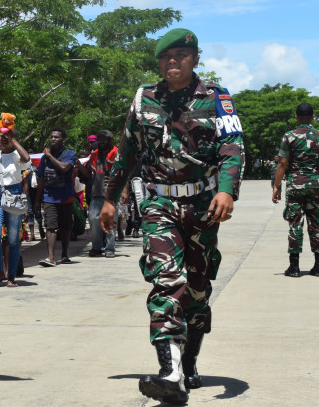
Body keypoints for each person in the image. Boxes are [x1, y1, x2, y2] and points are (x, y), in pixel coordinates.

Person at [100, 28, 244, 404]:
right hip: (159, 204)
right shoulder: (144, 98)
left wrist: (227, 189)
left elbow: (232, 148)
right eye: (166, 57)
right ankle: (170, 371)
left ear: (195, 59)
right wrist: (110, 198)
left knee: (196, 291)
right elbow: (128, 151)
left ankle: (190, 359)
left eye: (181, 55)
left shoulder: (217, 98)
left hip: (202, 206)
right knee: (168, 281)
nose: (173, 62)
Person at [272, 102, 319, 278]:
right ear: (313, 117)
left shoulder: (289, 137)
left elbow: (282, 163)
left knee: (295, 224)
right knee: (316, 224)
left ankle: (294, 267)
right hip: (315, 186)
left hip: (295, 186)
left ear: (296, 117)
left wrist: (276, 187)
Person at [0, 125, 30, 287]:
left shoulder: (18, 155)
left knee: (12, 239)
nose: (3, 139)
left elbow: (26, 158)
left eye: (7, 136)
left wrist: (13, 140)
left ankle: (11, 275)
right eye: (1, 136)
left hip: (14, 194)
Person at [35, 127, 77, 267]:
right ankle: (51, 257)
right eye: (51, 137)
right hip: (49, 197)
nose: (53, 139)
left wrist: (50, 157)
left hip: (66, 197)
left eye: (56, 137)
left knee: (65, 227)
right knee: (50, 226)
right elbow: (41, 179)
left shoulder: (69, 154)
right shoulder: (44, 158)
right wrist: (37, 200)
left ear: (62, 140)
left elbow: (64, 168)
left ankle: (64, 254)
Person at [83, 130, 118, 258]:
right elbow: (87, 173)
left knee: (111, 220)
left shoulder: (116, 153)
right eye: (100, 139)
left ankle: (109, 248)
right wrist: (77, 164)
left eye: (105, 139)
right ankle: (96, 247)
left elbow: (122, 173)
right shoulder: (94, 154)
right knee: (93, 219)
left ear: (110, 140)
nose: (102, 141)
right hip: (96, 192)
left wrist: (125, 190)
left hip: (112, 194)